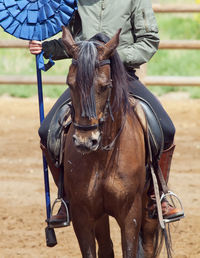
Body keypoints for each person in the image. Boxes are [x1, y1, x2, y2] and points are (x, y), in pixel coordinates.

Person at [29, 0, 184, 227]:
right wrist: (45, 48)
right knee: (46, 131)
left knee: (166, 128)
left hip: (122, 75)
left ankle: (156, 195)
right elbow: (70, 42)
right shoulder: (75, 2)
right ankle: (65, 197)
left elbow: (148, 41)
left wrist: (109, 56)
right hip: (84, 79)